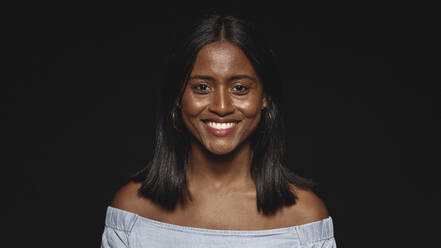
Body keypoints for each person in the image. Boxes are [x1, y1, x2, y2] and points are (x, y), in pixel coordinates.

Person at [101, 13, 336, 248]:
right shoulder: (132, 211)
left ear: (264, 97)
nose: (221, 107)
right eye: (202, 87)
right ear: (177, 98)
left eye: (240, 88)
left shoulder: (304, 217)